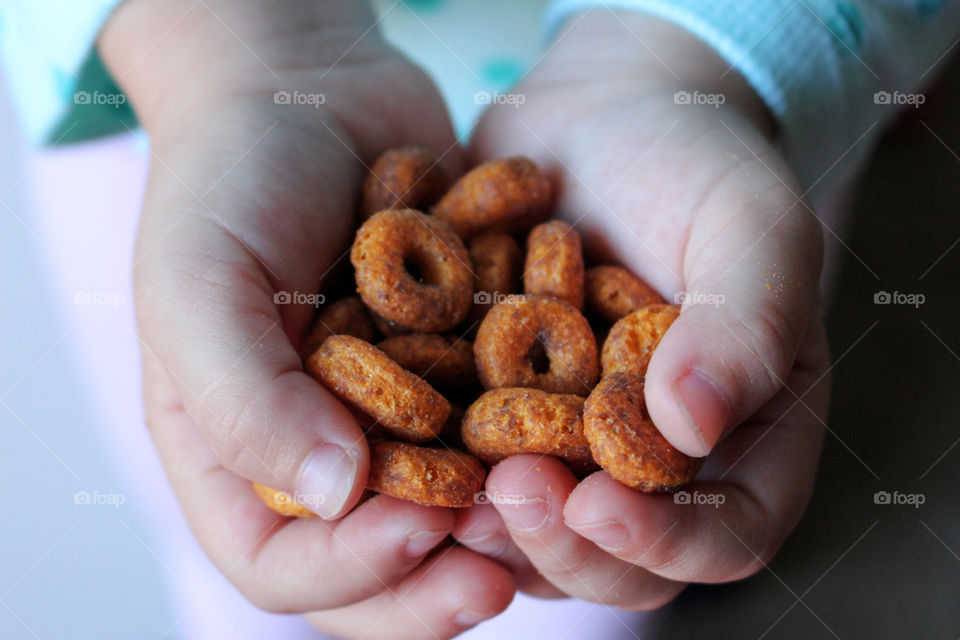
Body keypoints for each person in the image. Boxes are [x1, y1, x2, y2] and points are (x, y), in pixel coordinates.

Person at [5, 1, 958, 638]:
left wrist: (695, 58)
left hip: (697, 99)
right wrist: (233, 61)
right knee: (223, 492)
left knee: (590, 561)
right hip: (197, 105)